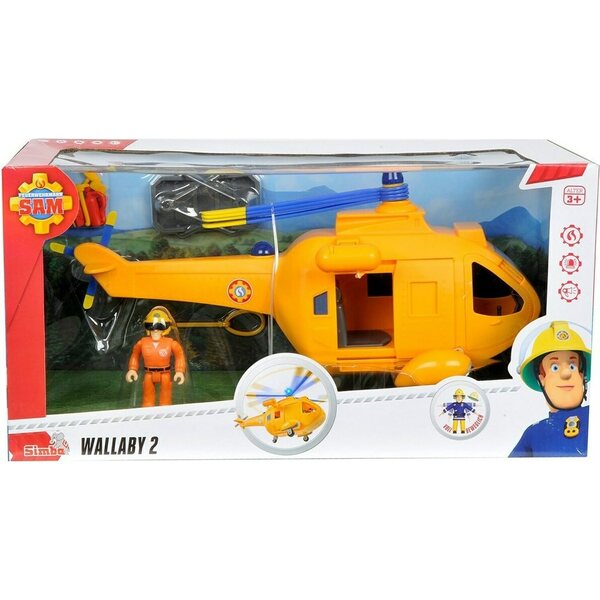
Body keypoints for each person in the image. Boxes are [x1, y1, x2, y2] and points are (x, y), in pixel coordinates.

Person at [510, 321, 590, 457]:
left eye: (572, 366)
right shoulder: (534, 433)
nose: (566, 373)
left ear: (582, 375)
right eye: (555, 367)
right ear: (541, 378)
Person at [126, 306, 186, 407]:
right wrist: (132, 369)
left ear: (166, 327)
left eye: (160, 326)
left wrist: (179, 371)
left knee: (165, 399)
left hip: (165, 374)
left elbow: (179, 355)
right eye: (151, 326)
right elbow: (135, 354)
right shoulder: (142, 342)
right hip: (149, 374)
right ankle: (148, 411)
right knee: (148, 399)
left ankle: (165, 411)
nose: (155, 330)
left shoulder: (171, 343)